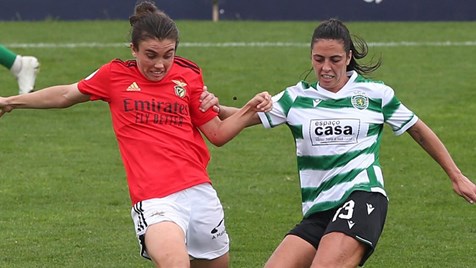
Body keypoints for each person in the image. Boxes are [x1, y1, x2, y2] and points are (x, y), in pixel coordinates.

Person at [0, 1, 271, 268]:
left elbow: (218, 133)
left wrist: (257, 110)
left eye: (168, 55)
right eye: (151, 55)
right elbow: (65, 94)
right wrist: (10, 102)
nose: (160, 65)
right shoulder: (114, 75)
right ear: (133, 49)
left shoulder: (188, 76)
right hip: (154, 199)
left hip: (200, 193)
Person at [203, 18, 476, 267]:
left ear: (348, 57)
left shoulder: (375, 94)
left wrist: (456, 176)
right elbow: (240, 117)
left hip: (362, 196)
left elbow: (418, 131)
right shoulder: (295, 98)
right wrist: (209, 106)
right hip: (319, 210)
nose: (325, 68)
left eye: (334, 59)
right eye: (318, 59)